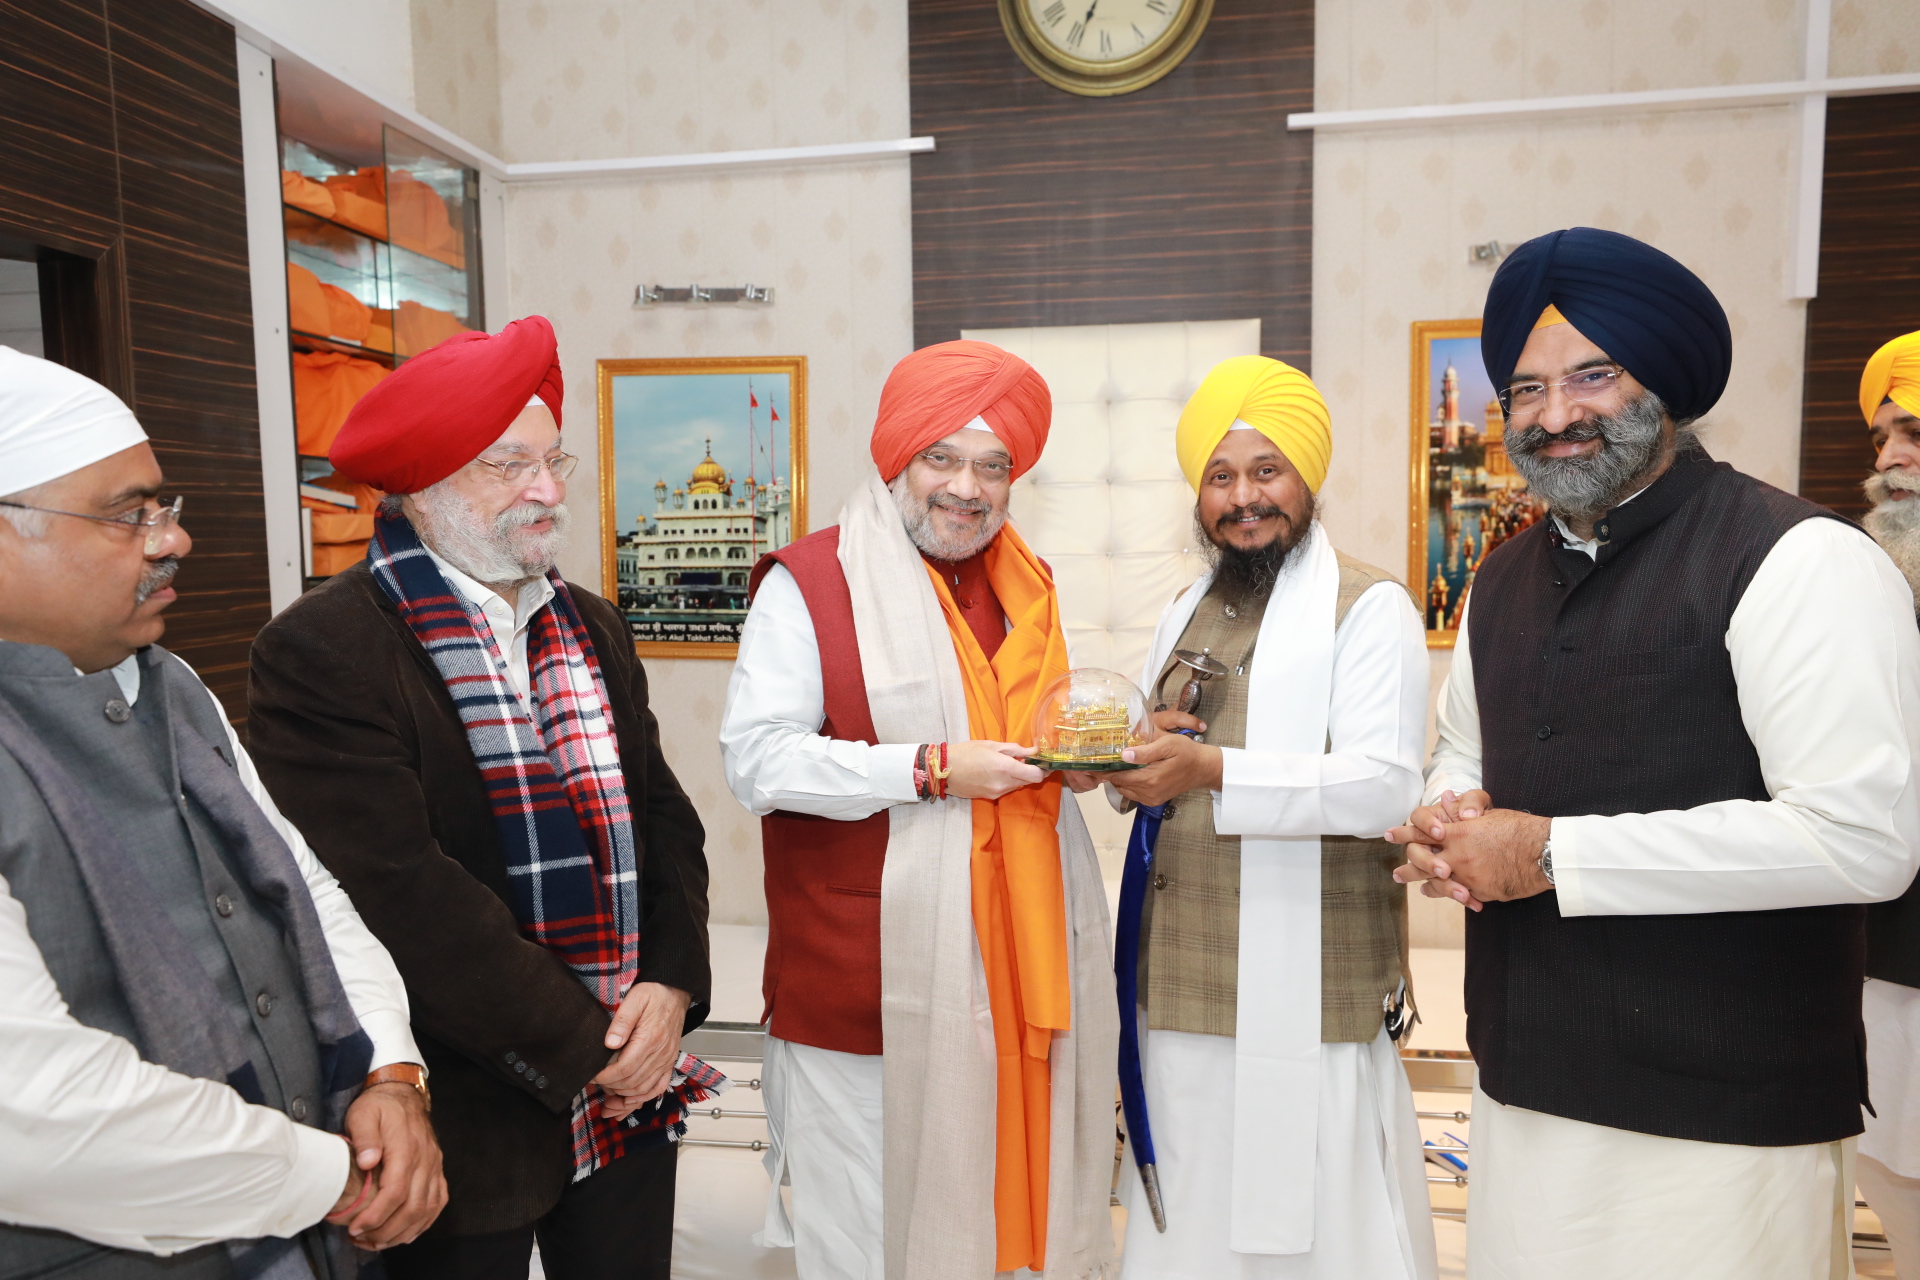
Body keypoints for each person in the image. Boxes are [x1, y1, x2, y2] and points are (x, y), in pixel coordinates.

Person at [1388, 228, 1920, 1280]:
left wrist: (1548, 854)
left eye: (1594, 374)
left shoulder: (1799, 557)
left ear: (1665, 384)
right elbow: (1461, 748)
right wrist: (1448, 816)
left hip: (1721, 1117)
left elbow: (1862, 839)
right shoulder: (1496, 580)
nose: (1555, 414)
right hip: (1523, 1081)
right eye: (1525, 389)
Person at [247, 318, 715, 1280]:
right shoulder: (322, 649)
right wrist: (598, 1048)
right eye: (508, 466)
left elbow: (663, 815)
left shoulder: (589, 623)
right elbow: (400, 896)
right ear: (420, 488)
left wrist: (668, 991)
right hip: (465, 1107)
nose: (547, 491)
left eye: (553, 461)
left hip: (628, 1094)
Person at [0, 347, 444, 1279]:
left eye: (165, 507)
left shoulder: (177, 686)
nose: (172, 540)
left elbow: (308, 895)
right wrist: (332, 1174)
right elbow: (34, 1112)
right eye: (130, 515)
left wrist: (389, 1075)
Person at [719, 340, 1117, 1280]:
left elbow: (1022, 748)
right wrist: (934, 768)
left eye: (993, 465)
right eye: (942, 457)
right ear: (896, 458)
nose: (966, 488)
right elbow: (757, 761)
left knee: (985, 1249)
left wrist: (1072, 767)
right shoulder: (809, 583)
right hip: (865, 996)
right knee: (867, 1252)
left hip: (1015, 983)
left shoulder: (1027, 587)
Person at [1103, 356, 1437, 1279]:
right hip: (1176, 982)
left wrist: (1211, 768)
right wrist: (1131, 765)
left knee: (1325, 1239)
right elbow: (1158, 752)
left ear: (1307, 479)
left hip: (1309, 984)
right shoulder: (1184, 609)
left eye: (1266, 471)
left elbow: (1383, 789)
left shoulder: (1371, 607)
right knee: (1189, 1232)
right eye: (1220, 477)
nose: (1244, 498)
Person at [1858, 327, 1920, 1276]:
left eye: (1913, 432)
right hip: (1891, 946)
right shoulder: (1874, 586)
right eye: (1881, 438)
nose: (1891, 460)